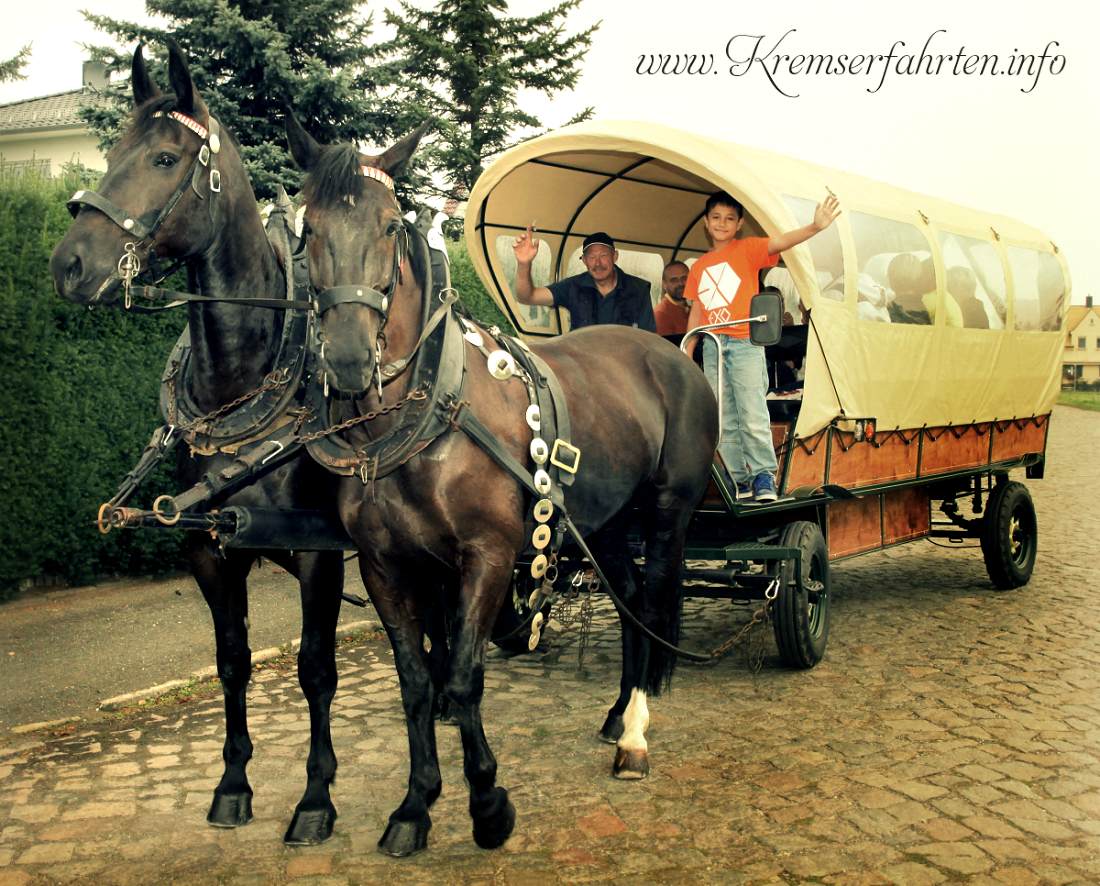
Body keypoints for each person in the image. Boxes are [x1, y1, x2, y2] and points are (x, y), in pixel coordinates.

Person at [685, 190, 840, 502]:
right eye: (715, 217)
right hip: (714, 343)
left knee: (751, 411)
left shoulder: (748, 249)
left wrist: (815, 227)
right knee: (722, 417)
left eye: (729, 218)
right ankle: (739, 480)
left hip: (744, 341)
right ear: (706, 222)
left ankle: (763, 477)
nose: (722, 223)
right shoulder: (700, 266)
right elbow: (698, 309)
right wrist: (689, 349)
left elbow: (781, 242)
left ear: (740, 224)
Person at [512, 227, 656, 332]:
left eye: (603, 256)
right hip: (581, 367)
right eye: (592, 257)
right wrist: (524, 264)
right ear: (584, 261)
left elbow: (648, 338)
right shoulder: (573, 286)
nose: (598, 263)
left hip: (622, 367)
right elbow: (527, 297)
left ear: (615, 256)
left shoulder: (638, 289)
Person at [654, 260, 691, 338]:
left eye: (684, 278)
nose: (680, 283)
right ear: (664, 284)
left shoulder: (691, 308)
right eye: (674, 280)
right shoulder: (661, 314)